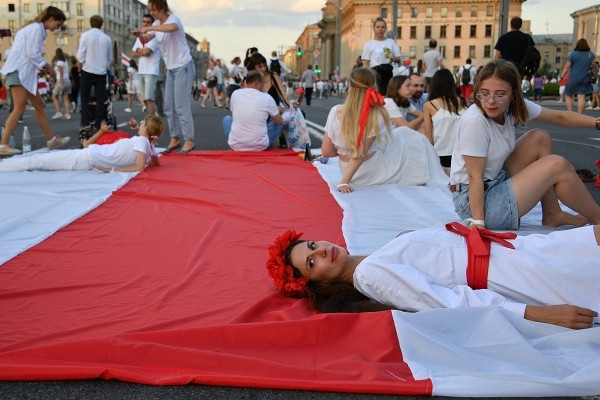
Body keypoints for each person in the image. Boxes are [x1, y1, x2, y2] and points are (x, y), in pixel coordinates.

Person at [266, 224, 600, 329]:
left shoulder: (368, 258)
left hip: (512, 248)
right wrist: (541, 314)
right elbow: (447, 302)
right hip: (513, 271)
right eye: (311, 263)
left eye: (312, 245)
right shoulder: (369, 274)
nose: (321, 251)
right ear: (320, 283)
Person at [449, 59, 600, 230]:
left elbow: (559, 117)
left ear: (513, 94)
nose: (490, 101)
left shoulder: (511, 107)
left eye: (500, 94)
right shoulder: (475, 121)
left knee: (540, 138)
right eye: (484, 93)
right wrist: (478, 224)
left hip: (493, 181)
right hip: (474, 203)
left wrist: (597, 123)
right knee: (557, 165)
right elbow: (474, 177)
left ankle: (552, 213)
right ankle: (598, 218)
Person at [321, 68, 436, 193]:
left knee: (398, 136)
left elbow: (326, 151)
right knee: (405, 138)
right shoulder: (377, 113)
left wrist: (344, 151)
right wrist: (344, 182)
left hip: (345, 169)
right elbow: (360, 153)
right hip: (370, 172)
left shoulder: (335, 111)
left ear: (349, 86)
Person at [0, 6, 70, 156]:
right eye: (57, 25)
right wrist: (48, 67)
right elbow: (32, 53)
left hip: (24, 72)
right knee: (19, 108)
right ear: (51, 19)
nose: (58, 29)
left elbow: (32, 53)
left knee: (39, 104)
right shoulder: (36, 29)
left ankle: (51, 140)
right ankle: (3, 144)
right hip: (19, 70)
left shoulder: (36, 28)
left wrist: (44, 67)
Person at [132, 0, 196, 154]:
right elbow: (146, 39)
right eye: (150, 10)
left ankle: (189, 140)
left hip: (183, 66)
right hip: (172, 69)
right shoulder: (157, 25)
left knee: (181, 105)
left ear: (161, 8)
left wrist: (149, 26)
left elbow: (170, 28)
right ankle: (175, 138)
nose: (152, 12)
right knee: (168, 106)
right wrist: (140, 34)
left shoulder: (173, 20)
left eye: (153, 9)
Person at [0, 115, 163, 173]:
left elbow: (140, 166)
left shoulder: (143, 142)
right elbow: (153, 161)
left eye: (142, 123)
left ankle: (3, 166)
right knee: (39, 161)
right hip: (88, 156)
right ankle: (5, 164)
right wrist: (150, 145)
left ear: (146, 127)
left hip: (85, 157)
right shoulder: (148, 145)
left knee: (36, 161)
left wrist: (112, 169)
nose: (139, 124)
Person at [221, 70, 283, 151]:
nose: (264, 86)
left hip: (236, 146)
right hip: (260, 146)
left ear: (246, 82)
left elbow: (238, 114)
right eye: (263, 83)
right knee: (280, 122)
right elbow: (279, 122)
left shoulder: (235, 94)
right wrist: (275, 111)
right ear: (257, 83)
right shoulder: (267, 98)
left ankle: (238, 140)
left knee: (227, 119)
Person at [423, 68, 468, 170]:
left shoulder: (429, 105)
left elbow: (429, 139)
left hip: (441, 154)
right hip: (463, 154)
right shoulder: (463, 102)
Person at [77, 15, 112, 134]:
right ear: (101, 24)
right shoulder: (106, 38)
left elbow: (81, 55)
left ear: (90, 23)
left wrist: (79, 70)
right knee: (100, 99)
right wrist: (103, 65)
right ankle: (98, 124)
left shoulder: (85, 36)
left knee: (85, 98)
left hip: (87, 70)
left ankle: (85, 123)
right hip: (101, 72)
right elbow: (109, 58)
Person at [360, 17, 401, 95]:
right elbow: (366, 63)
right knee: (376, 93)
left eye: (382, 27)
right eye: (378, 27)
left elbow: (398, 59)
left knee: (387, 94)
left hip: (387, 70)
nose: (380, 29)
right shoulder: (369, 44)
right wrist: (365, 78)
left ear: (385, 28)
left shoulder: (390, 42)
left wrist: (392, 58)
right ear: (374, 29)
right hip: (375, 72)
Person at [131, 13, 161, 117]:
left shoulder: (155, 36)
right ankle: (154, 118)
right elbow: (133, 53)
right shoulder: (140, 38)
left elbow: (146, 52)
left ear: (152, 24)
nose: (145, 24)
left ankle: (151, 122)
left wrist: (139, 50)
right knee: (145, 99)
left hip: (151, 71)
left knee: (149, 99)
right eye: (144, 22)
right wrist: (140, 50)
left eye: (148, 22)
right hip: (141, 71)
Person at [559, 38, 595, 114]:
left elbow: (567, 67)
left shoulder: (572, 54)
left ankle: (570, 113)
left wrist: (562, 76)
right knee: (581, 96)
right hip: (585, 78)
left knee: (568, 94)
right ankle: (579, 115)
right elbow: (594, 66)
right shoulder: (590, 54)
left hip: (573, 78)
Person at [51, 48, 72, 120]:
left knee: (54, 96)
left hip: (61, 81)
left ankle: (58, 112)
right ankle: (68, 114)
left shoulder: (59, 63)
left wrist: (61, 84)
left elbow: (61, 73)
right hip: (67, 80)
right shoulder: (65, 61)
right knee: (65, 98)